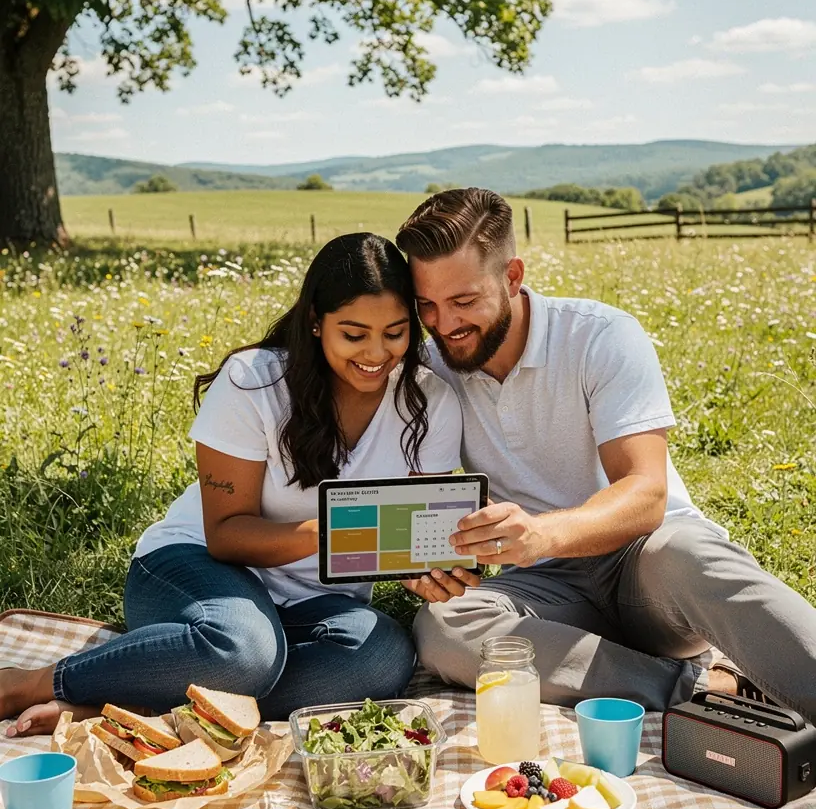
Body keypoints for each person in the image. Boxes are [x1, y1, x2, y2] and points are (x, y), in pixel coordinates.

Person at [2, 233, 463, 737]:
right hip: (196, 564)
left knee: (381, 658)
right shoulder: (254, 382)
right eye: (354, 335)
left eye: (395, 333)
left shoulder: (428, 402)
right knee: (246, 650)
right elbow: (225, 534)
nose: (377, 353)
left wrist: (423, 569)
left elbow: (409, 534)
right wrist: (338, 531)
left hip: (312, 601)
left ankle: (147, 703)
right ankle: (39, 682)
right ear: (315, 321)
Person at [395, 188, 816, 720]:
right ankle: (703, 689)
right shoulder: (431, 369)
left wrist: (541, 533)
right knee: (443, 627)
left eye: (463, 301)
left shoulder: (599, 337)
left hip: (648, 564)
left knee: (696, 556)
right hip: (550, 587)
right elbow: (421, 499)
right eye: (427, 305)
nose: (444, 323)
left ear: (513, 277)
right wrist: (426, 563)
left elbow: (646, 494)